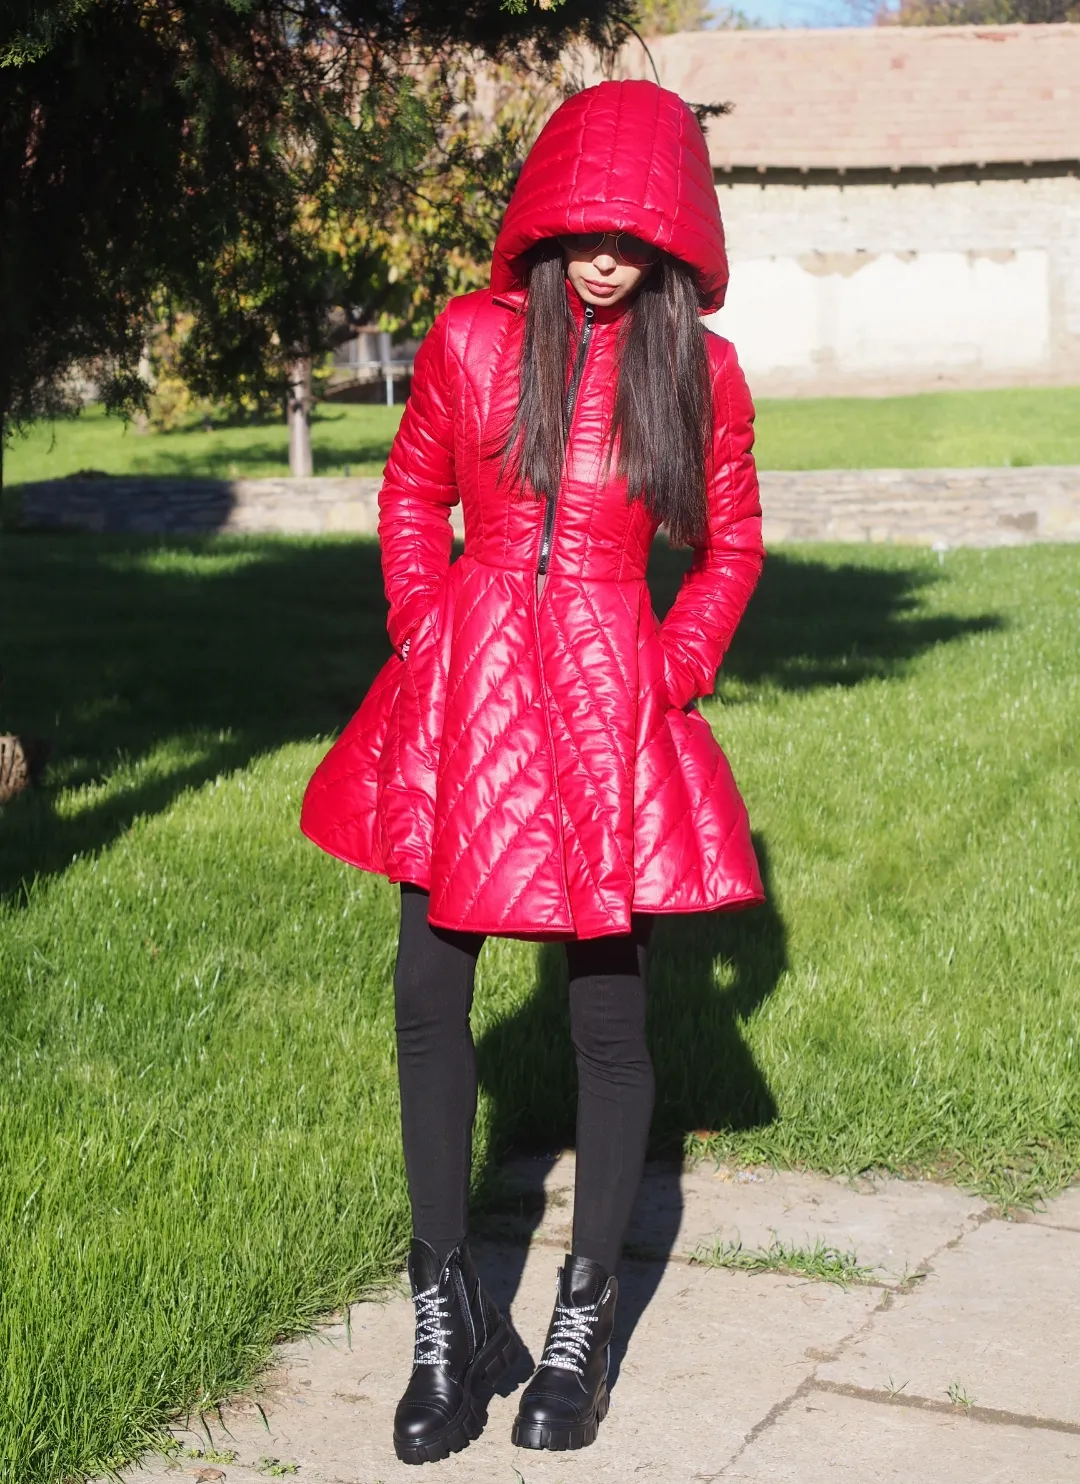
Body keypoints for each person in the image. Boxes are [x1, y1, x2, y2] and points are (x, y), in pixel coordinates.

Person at [300, 78, 765, 1466]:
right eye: (585, 224)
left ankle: (580, 1316)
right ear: (545, 220)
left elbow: (727, 549)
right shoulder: (469, 341)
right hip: (467, 686)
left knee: (610, 1022)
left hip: (608, 705)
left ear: (677, 235)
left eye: (637, 231)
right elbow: (408, 494)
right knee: (429, 992)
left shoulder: (699, 373)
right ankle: (448, 1312)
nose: (608, 252)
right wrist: (420, 618)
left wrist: (670, 669)